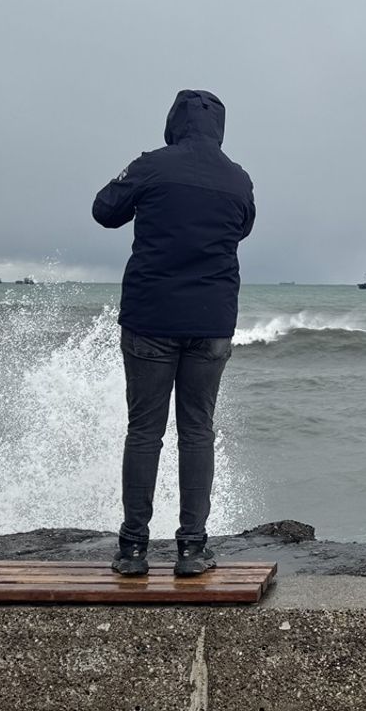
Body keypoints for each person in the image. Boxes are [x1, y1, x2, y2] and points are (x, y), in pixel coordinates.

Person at [92, 90, 255, 576]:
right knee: (197, 431)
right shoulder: (238, 177)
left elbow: (105, 211)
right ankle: (191, 549)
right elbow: (242, 229)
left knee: (144, 431)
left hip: (151, 317)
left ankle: (133, 550)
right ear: (219, 128)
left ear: (174, 122)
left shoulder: (150, 166)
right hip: (211, 320)